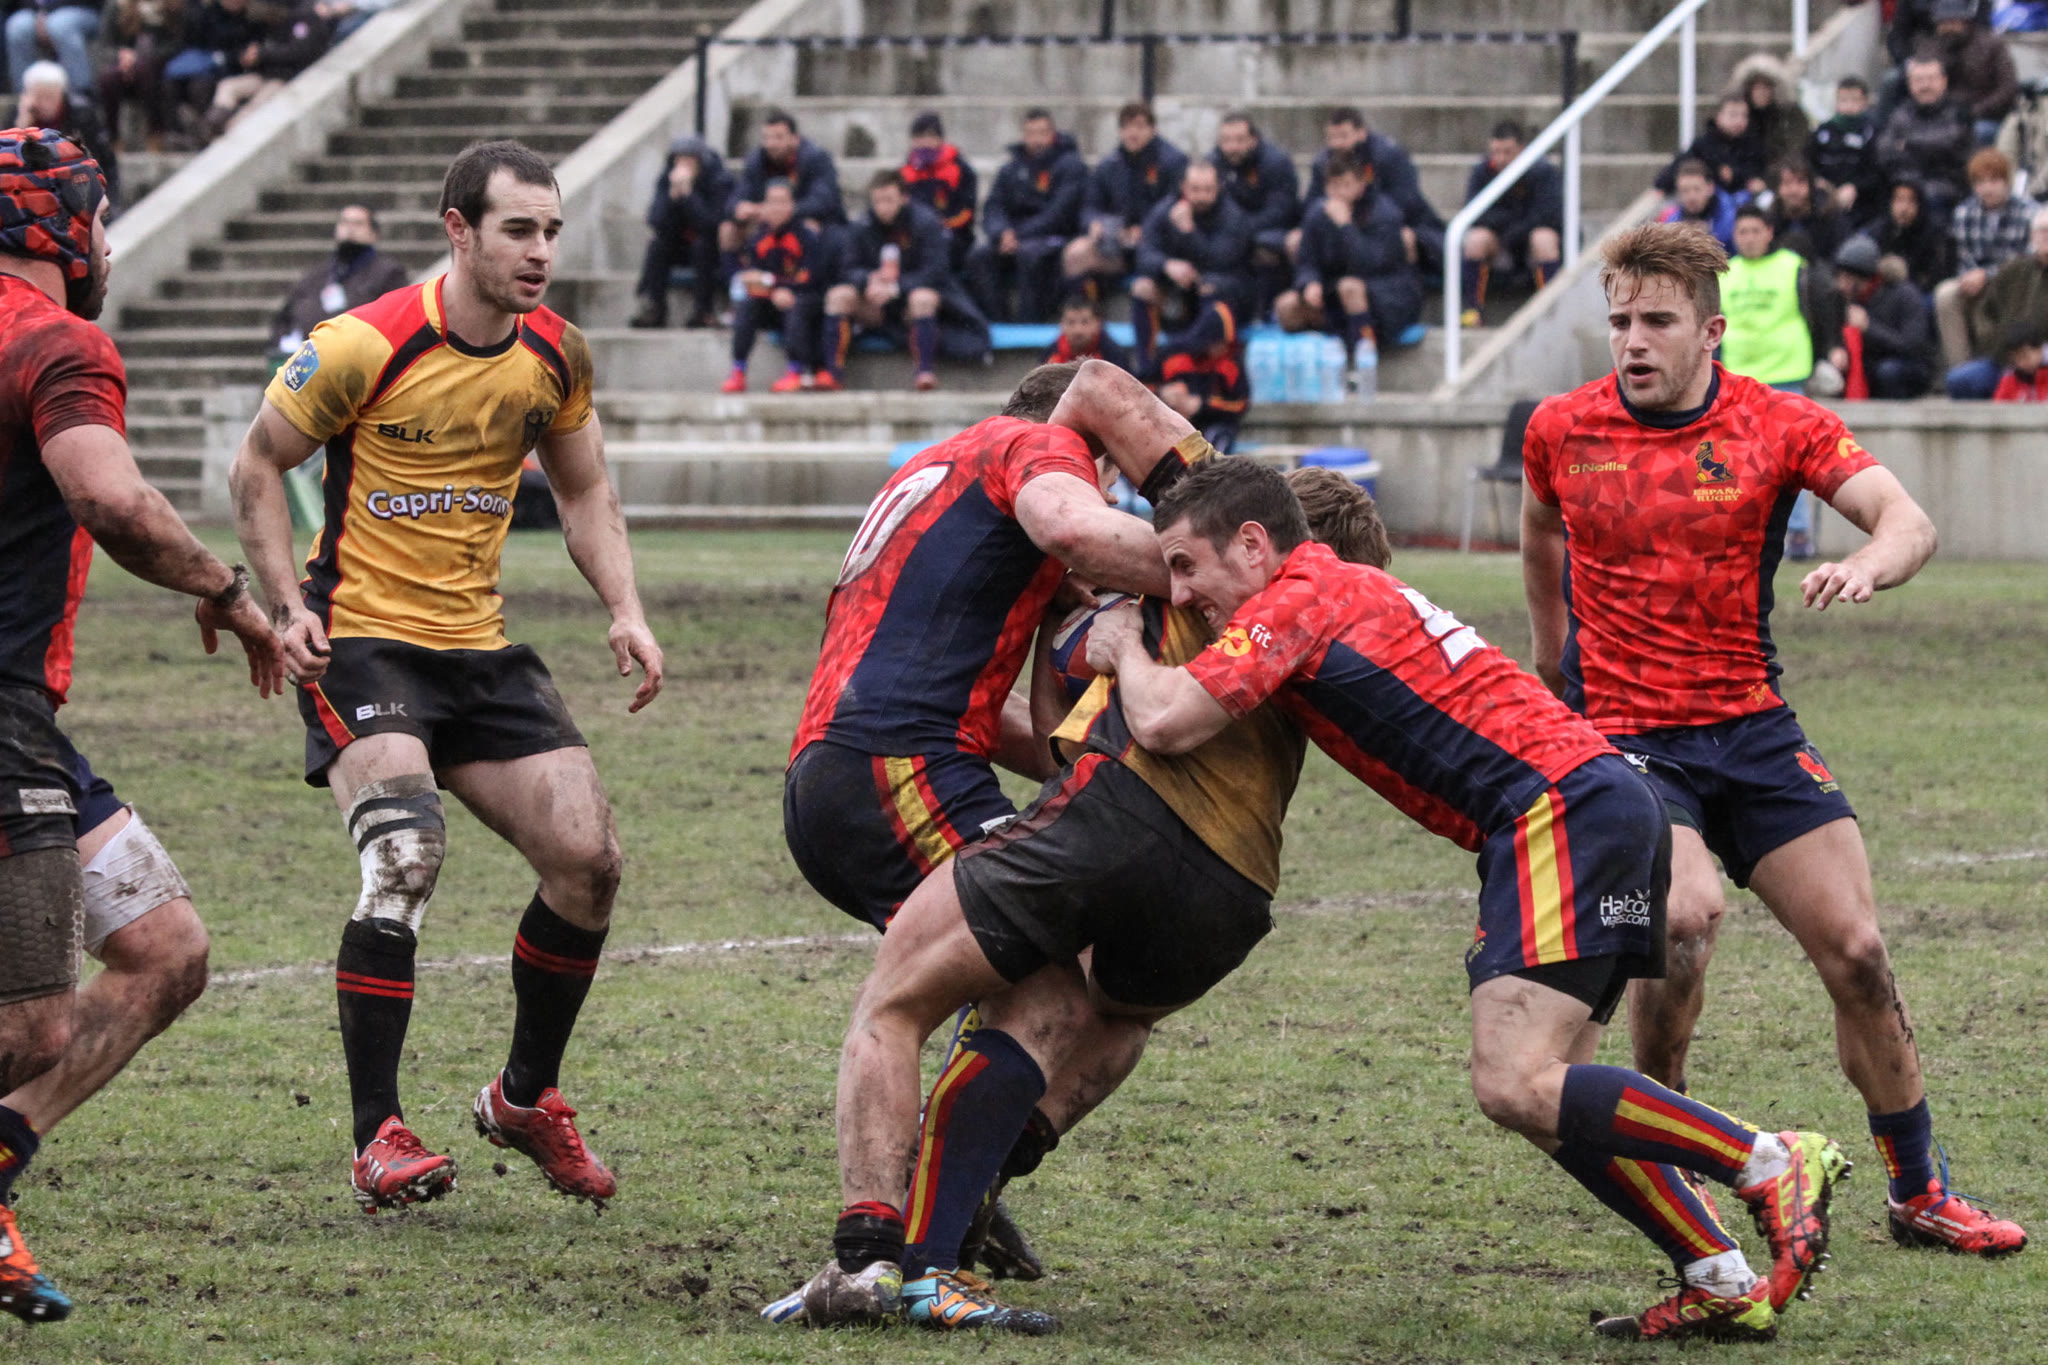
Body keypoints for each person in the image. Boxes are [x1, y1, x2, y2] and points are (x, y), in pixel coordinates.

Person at [1095, 455, 1849, 1344]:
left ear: (1256, 544)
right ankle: (1717, 1274)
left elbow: (1164, 720)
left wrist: (1123, 645)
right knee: (1555, 1096)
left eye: (1187, 566)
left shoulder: (1298, 595)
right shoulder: (1338, 587)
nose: (1181, 594)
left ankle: (1769, 1159)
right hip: (1597, 802)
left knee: (1513, 1080)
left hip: (1559, 811)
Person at [785, 398, 1386, 1334]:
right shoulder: (1327, 629)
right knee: (1110, 1018)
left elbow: (1074, 734)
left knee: (923, 1000)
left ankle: (881, 1254)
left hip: (1084, 807)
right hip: (1235, 894)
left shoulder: (1167, 587)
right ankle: (965, 1191)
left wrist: (1094, 621)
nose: (1097, 492)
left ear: (1257, 541)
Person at [1522, 220, 2025, 1272]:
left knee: (1859, 952)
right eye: (1619, 321)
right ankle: (1675, 1149)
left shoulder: (1776, 424)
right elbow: (1541, 529)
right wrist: (1547, 657)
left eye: (1657, 322)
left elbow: (1907, 521)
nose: (1632, 341)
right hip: (1628, 737)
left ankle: (1918, 1190)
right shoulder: (1562, 428)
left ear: (1711, 332)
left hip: (1750, 729)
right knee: (1683, 921)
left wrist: (1869, 564)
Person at [227, 139, 666, 1215]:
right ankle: (377, 1136)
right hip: (361, 642)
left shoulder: (555, 354)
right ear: (458, 230)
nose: (540, 251)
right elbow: (257, 465)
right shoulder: (362, 343)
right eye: (518, 229)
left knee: (589, 862)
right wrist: (285, 607)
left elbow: (584, 491)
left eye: (551, 231)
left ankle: (522, 1098)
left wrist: (625, 607)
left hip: (478, 648)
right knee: (405, 854)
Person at [770, 360, 1175, 1325]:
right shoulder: (1034, 445)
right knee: (1050, 990)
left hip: (859, 766)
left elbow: (1006, 723)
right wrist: (1234, 573)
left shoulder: (939, 471)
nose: (1101, 493)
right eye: (1102, 476)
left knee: (1091, 980)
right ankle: (903, 1247)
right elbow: (1076, 529)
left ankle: (935, 1209)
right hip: (897, 767)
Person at [0, 125, 282, 1326]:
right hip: (1, 715)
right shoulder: (55, 342)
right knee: (33, 1022)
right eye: (101, 220)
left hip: (30, 729)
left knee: (167, 948)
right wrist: (227, 591)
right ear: (60, 228)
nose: (108, 245)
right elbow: (112, 500)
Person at [823, 169, 988, 392]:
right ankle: (832, 374)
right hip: (874, 303)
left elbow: (936, 270)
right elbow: (846, 268)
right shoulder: (861, 225)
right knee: (838, 296)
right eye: (877, 201)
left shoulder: (926, 223)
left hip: (908, 303)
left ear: (904, 198)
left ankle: (925, 372)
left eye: (888, 200)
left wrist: (896, 287)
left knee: (923, 299)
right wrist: (868, 280)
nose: (883, 207)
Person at [1275, 151, 1420, 365]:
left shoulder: (1384, 213)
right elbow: (1307, 259)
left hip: (1387, 296)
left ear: (1361, 185)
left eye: (1346, 185)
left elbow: (1372, 263)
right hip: (1335, 292)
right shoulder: (1318, 213)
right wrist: (1310, 282)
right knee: (1286, 306)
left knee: (1349, 287)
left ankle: (1363, 359)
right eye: (1333, 186)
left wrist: (1346, 227)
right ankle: (1316, 361)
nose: (1339, 193)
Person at [1128, 159, 1252, 377]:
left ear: (1218, 188)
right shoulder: (1166, 210)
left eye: (1208, 190)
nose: (1201, 196)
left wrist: (1189, 232)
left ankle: (1168, 355)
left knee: (1211, 286)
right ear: (1184, 187)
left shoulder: (1233, 216)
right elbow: (1144, 253)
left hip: (1221, 296)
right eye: (1195, 189)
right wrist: (1167, 265)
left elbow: (1222, 260)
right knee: (1142, 287)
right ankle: (1146, 369)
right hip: (1179, 296)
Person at [967, 108, 1086, 324]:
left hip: (1052, 237)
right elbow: (994, 206)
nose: (1037, 140)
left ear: (1052, 134)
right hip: (1013, 238)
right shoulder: (1010, 169)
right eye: (1031, 133)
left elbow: (1059, 213)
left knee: (1030, 256)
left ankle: (1030, 324)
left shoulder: (1071, 166)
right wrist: (1001, 232)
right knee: (979, 256)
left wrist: (1018, 235)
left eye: (1042, 133)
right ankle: (997, 322)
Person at [1062, 101, 1186, 301]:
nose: (1132, 133)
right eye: (1126, 127)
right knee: (1075, 253)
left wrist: (1146, 229)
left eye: (1139, 126)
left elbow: (1176, 205)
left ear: (1153, 129)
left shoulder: (1173, 162)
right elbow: (1090, 206)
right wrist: (1095, 224)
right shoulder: (1109, 165)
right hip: (1117, 243)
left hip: (1158, 245)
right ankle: (1083, 312)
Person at [722, 179, 830, 394]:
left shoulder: (807, 236)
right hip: (772, 300)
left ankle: (795, 371)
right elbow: (756, 275)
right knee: (747, 306)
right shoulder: (758, 239)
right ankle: (738, 371)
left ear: (792, 205)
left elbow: (810, 277)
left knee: (796, 305)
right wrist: (758, 283)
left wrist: (777, 285)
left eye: (782, 202)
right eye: (772, 202)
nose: (777, 208)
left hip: (805, 298)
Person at [1934, 146, 2036, 369]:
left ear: (2007, 182)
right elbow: (1964, 256)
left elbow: (2026, 260)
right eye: (1980, 182)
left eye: (1993, 181)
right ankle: (1960, 368)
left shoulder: (2027, 212)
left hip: (2013, 283)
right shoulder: (1964, 213)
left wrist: (1987, 275)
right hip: (1973, 279)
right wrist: (1970, 277)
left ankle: (2006, 366)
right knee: (1945, 294)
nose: (1987, 188)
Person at [1300, 106, 1441, 266]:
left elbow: (1405, 201)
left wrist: (1364, 218)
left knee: (1401, 238)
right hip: (1342, 220)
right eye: (1332, 137)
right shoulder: (1323, 161)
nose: (1337, 143)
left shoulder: (1388, 156)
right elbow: (1313, 199)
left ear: (1361, 132)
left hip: (1393, 222)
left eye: (1343, 136)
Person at [1457, 118, 1563, 327]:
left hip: (1531, 246)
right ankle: (1472, 310)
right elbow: (1473, 213)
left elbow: (1549, 215)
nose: (1501, 159)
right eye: (1495, 152)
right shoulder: (1482, 171)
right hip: (1501, 245)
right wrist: (1509, 225)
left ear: (1522, 149)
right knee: (1476, 239)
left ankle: (1552, 312)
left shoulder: (1542, 171)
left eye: (1507, 152)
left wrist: (1516, 228)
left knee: (1544, 238)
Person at [268, 203, 410, 354]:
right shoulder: (316, 275)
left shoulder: (388, 273)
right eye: (344, 222)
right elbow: (284, 317)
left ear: (374, 233)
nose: (350, 228)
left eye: (358, 223)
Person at [720, 108, 843, 280]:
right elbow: (736, 199)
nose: (771, 144)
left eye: (778, 137)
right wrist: (739, 208)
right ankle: (738, 286)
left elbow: (824, 201)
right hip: (767, 224)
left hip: (802, 221)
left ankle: (804, 286)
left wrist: (785, 211)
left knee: (810, 227)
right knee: (728, 230)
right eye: (766, 138)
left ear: (795, 139)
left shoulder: (816, 159)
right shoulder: (756, 161)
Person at [627, 134, 732, 330]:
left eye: (689, 159)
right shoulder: (666, 180)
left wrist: (689, 195)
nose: (683, 165)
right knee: (657, 246)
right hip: (679, 245)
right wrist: (672, 199)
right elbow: (656, 221)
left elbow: (711, 224)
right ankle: (655, 307)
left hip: (710, 248)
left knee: (702, 246)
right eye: (679, 159)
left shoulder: (719, 180)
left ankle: (703, 311)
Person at [1945, 204, 2048, 396]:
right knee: (1959, 381)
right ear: (2032, 236)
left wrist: (2040, 354)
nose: (2045, 236)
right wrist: (2000, 344)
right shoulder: (2013, 270)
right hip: (2005, 359)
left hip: (2043, 361)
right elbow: (1985, 312)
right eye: (2041, 231)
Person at [201, 1, 329, 140]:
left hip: (288, 79)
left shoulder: (304, 17)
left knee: (256, 105)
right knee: (228, 86)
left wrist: (263, 53)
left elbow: (299, 52)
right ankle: (212, 124)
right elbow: (253, 46)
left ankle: (227, 135)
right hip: (265, 74)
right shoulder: (265, 22)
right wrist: (249, 57)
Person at [1828, 234, 1937, 396]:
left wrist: (1869, 328)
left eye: (1847, 278)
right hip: (1870, 364)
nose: (1841, 285)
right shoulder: (1845, 300)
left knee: (1888, 371)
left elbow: (1912, 346)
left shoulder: (1904, 295)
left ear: (1863, 278)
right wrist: (1838, 351)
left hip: (1906, 365)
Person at [1209, 112, 1299, 306]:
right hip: (1227, 231)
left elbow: (1280, 212)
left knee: (1264, 246)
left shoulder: (1276, 163)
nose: (1232, 147)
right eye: (1226, 140)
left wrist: (1240, 230)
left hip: (1267, 230)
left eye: (1239, 140)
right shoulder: (1212, 163)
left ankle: (1266, 309)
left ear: (1254, 139)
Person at [1876, 56, 1974, 217]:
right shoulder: (1899, 114)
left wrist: (1907, 144)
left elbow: (1952, 146)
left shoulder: (1958, 113)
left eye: (1931, 79)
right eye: (1919, 80)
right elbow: (1884, 152)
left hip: (1945, 189)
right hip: (1904, 186)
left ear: (1944, 81)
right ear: (1910, 83)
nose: (1925, 86)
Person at [12, 60, 112, 204]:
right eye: (38, 96)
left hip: (76, 185)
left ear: (61, 94)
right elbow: (9, 162)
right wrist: (21, 125)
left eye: (49, 97)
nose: (44, 103)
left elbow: (103, 158)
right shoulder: (19, 115)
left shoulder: (81, 113)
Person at [96, 0, 185, 154]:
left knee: (145, 71)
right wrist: (122, 56)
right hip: (123, 64)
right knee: (108, 79)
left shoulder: (171, 6)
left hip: (158, 64)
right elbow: (105, 46)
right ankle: (113, 138)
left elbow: (176, 44)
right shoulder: (117, 6)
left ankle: (156, 134)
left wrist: (143, 57)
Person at [900, 111, 977, 273]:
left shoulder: (960, 170)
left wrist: (940, 226)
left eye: (930, 136)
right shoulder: (905, 173)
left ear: (940, 139)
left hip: (952, 232)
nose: (924, 143)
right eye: (919, 137)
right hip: (915, 233)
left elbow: (967, 212)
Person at [1932, 0, 2019, 144]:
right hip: (1943, 114)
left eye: (1952, 22)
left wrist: (1975, 111)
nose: (1948, 28)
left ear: (1965, 21)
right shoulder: (1934, 48)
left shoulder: (1991, 45)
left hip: (1985, 116)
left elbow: (2007, 89)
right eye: (1943, 23)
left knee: (1978, 133)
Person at [1656, 93, 1768, 199]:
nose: (1739, 121)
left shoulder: (1754, 146)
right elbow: (1674, 171)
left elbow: (1760, 175)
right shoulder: (1703, 146)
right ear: (1718, 116)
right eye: (1733, 115)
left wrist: (1738, 176)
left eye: (1744, 116)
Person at [1808, 76, 1884, 225]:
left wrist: (1856, 187)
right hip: (1824, 197)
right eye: (1844, 100)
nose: (1849, 106)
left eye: (1855, 100)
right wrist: (1822, 184)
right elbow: (1809, 163)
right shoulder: (1823, 132)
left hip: (1862, 204)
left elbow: (1877, 171)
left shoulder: (1873, 133)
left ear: (1865, 103)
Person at [1155, 332, 1248, 452]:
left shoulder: (1229, 363)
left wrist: (1202, 405)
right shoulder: (1173, 357)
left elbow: (1240, 404)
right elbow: (1144, 386)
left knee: (1218, 435)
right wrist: (1162, 394)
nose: (1223, 347)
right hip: (1173, 421)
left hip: (1212, 422)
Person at [1872, 177, 1955, 293]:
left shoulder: (1934, 234)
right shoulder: (1879, 230)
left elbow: (1935, 276)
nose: (1904, 208)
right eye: (1899, 200)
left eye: (1911, 201)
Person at [3, 1, 97, 96]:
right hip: (36, 10)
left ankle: (81, 93)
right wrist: (39, 11)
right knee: (18, 26)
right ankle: (25, 94)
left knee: (60, 25)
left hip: (80, 8)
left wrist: (47, 11)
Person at [1735, 56, 1811, 172]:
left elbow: (1798, 145)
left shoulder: (1789, 115)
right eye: (1756, 88)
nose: (1761, 93)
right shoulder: (1739, 115)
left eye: (1766, 88)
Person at [1765, 159, 1845, 264]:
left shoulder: (1829, 218)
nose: (1794, 190)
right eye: (1787, 183)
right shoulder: (1769, 221)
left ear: (1811, 187)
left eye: (1800, 182)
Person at [1656, 158, 1740, 250]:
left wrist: (1706, 236)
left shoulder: (1733, 219)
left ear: (1710, 187)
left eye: (1697, 189)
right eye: (1685, 190)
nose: (1691, 197)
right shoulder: (1672, 222)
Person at [1040, 291, 1133, 371]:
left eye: (1085, 322)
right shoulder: (1050, 355)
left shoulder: (1113, 355)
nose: (1078, 330)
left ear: (1097, 323)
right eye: (1071, 322)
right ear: (1061, 325)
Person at [1988, 321, 2048, 397]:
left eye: (2025, 356)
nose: (2021, 363)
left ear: (2040, 350)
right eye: (2016, 359)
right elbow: (1999, 403)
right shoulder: (2009, 380)